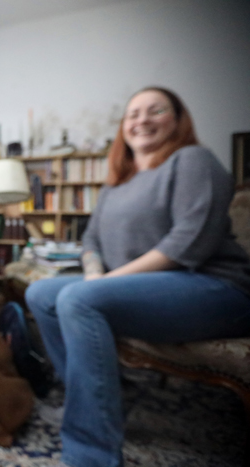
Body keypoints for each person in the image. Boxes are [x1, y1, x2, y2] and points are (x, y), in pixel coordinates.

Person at [25, 87, 250, 467]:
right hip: (139, 285)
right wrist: (94, 273)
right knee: (40, 293)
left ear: (177, 120)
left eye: (155, 110)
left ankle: (91, 455)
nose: (142, 120)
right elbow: (91, 239)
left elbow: (187, 242)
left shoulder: (193, 160)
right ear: (124, 127)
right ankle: (105, 396)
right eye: (133, 114)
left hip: (214, 286)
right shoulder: (118, 182)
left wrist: (105, 283)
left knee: (78, 299)